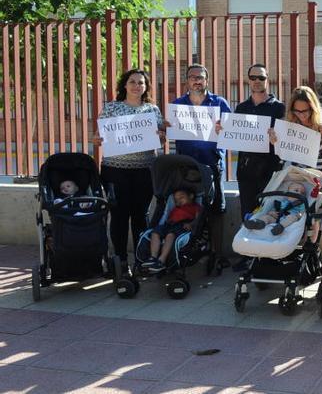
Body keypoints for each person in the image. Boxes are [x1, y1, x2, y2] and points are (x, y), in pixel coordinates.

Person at [94, 69, 165, 270]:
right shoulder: (112, 108)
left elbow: (160, 137)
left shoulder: (152, 110)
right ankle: (120, 259)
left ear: (146, 87)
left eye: (141, 83)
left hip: (144, 171)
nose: (136, 86)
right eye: (132, 82)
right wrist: (97, 139)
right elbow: (98, 136)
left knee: (141, 215)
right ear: (124, 85)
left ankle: (142, 259)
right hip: (114, 171)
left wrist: (161, 136)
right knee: (118, 215)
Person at [269, 86, 322, 254]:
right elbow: (284, 156)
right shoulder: (291, 125)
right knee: (306, 215)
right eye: (297, 111)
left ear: (313, 108)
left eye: (306, 111)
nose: (302, 115)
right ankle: (308, 252)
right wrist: (276, 143)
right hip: (301, 177)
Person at [169, 64, 232, 213]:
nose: (196, 81)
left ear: (207, 81)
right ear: (187, 81)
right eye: (192, 77)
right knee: (187, 209)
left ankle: (215, 237)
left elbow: (231, 133)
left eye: (200, 77)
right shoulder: (177, 105)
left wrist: (224, 129)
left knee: (215, 210)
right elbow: (171, 130)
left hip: (212, 164)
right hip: (185, 166)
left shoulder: (219, 103)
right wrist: (168, 127)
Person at [227, 64, 286, 222]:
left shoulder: (280, 108)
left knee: (270, 213)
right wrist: (223, 131)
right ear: (248, 81)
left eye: (261, 77)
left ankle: (268, 246)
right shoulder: (241, 108)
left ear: (268, 80)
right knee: (248, 213)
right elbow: (234, 136)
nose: (257, 81)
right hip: (246, 171)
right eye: (253, 78)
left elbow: (286, 140)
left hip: (271, 170)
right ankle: (247, 247)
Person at [142, 188, 201, 272]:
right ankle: (153, 258)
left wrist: (191, 224)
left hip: (182, 225)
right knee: (155, 232)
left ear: (191, 196)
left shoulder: (195, 207)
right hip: (169, 225)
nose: (179, 201)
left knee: (170, 235)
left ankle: (161, 261)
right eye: (176, 200)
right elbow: (167, 216)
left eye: (181, 197)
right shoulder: (175, 208)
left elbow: (198, 219)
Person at [243, 178, 307, 236]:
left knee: (292, 217)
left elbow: (302, 212)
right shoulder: (282, 202)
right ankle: (258, 223)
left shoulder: (301, 204)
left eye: (302, 193)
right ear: (287, 193)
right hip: (277, 218)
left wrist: (299, 215)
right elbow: (274, 209)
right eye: (296, 190)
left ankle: (280, 227)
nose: (299, 193)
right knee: (267, 217)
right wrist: (271, 213)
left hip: (288, 219)